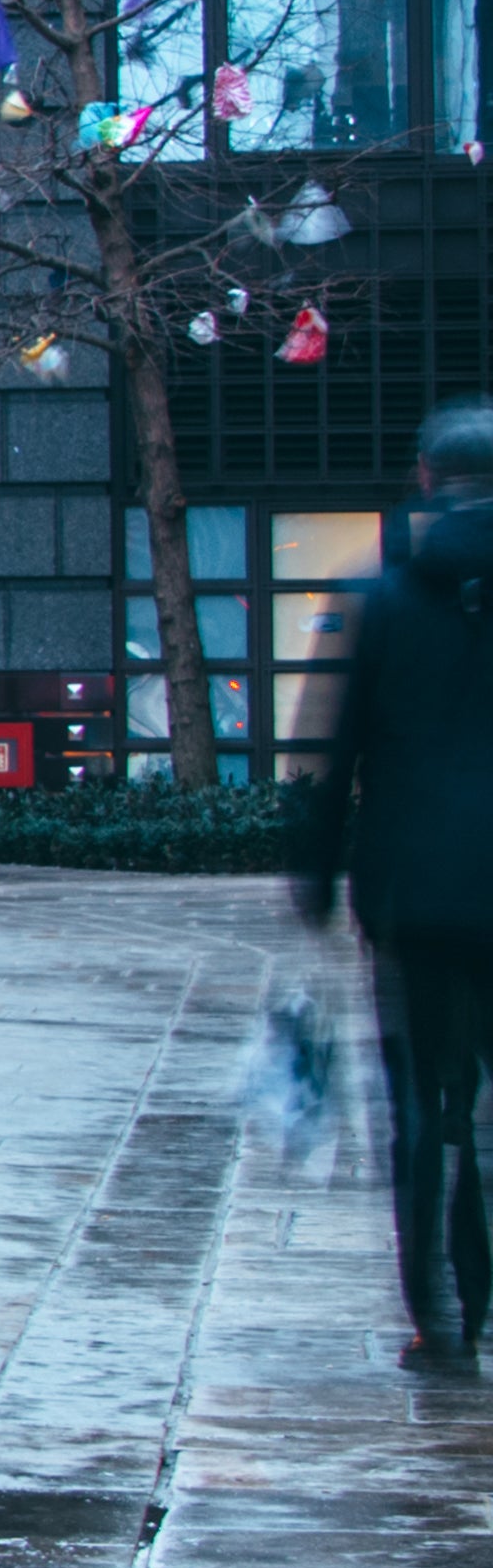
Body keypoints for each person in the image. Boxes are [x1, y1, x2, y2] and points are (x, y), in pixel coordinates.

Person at [292, 402, 493, 1374]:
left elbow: (330, 757)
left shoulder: (377, 595)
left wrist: (316, 875)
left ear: (424, 476)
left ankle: (438, 1316)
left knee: (419, 1103)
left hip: (412, 894)